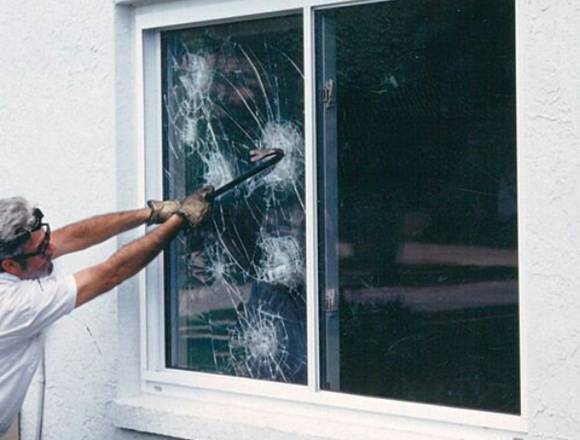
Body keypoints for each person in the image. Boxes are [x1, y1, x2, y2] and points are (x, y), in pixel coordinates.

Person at [0, 188, 213, 435]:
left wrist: (152, 214)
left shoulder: (17, 259)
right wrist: (180, 220)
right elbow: (110, 273)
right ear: (11, 265)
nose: (51, 249)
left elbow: (72, 237)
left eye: (45, 238)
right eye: (42, 249)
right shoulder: (14, 305)